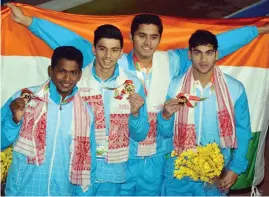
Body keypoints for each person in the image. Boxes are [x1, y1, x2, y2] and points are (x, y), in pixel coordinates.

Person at [6, 3, 269, 195]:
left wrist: (254, 33)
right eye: (141, 36)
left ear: (159, 39)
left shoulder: (173, 61)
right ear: (132, 38)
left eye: (154, 37)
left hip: (157, 157)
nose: (147, 43)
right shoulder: (113, 61)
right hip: (122, 158)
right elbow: (72, 42)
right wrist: (30, 22)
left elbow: (213, 47)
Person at [158, 30, 252, 196]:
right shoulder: (174, 86)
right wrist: (165, 116)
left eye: (208, 53)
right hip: (179, 171)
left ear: (216, 54)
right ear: (189, 55)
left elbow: (242, 132)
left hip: (214, 172)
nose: (203, 60)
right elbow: (165, 133)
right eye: (197, 53)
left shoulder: (234, 89)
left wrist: (236, 168)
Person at [1, 46, 97, 196]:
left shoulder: (86, 113)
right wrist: (14, 121)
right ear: (50, 71)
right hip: (22, 191)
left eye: (73, 73)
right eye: (61, 71)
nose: (67, 79)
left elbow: (88, 165)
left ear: (79, 75)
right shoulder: (24, 99)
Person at [75, 24, 149, 196]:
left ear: (121, 52)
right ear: (94, 49)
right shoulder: (76, 81)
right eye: (103, 49)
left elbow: (141, 135)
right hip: (79, 168)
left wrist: (136, 114)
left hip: (113, 171)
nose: (108, 56)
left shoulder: (132, 84)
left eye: (114, 50)